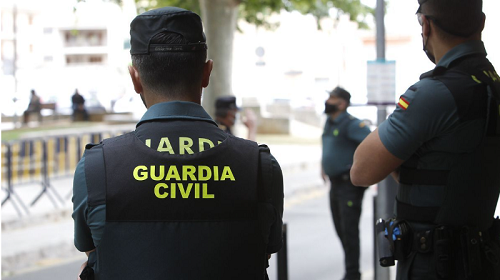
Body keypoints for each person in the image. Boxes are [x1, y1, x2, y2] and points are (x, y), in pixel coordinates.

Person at [72, 7, 284, 280]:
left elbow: (92, 251)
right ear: (207, 73)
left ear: (135, 78)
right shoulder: (259, 167)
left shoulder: (96, 168)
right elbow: (263, 252)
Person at [350, 0, 500, 279]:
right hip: (483, 258)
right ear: (481, 23)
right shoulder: (492, 85)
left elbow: (361, 170)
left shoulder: (436, 92)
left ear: (426, 25)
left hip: (435, 263)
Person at [321, 86, 371, 280]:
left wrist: (358, 168)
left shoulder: (351, 124)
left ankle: (352, 275)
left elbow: (371, 143)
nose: (328, 102)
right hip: (334, 184)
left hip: (348, 186)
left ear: (342, 103)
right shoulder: (330, 122)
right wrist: (323, 165)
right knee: (340, 229)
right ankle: (351, 271)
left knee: (349, 231)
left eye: (332, 98)